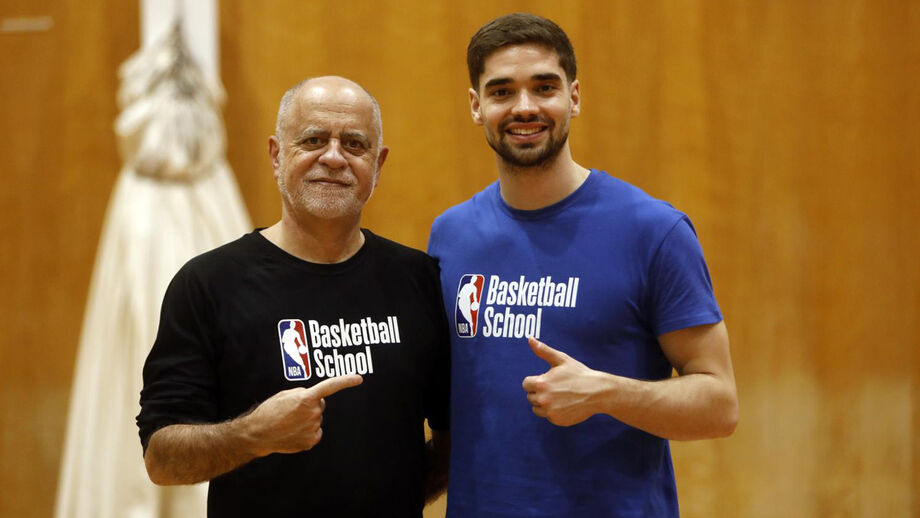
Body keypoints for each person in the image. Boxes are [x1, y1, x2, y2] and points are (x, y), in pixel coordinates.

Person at [427, 13, 738, 517]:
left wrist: (605, 393)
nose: (524, 107)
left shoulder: (653, 231)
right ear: (476, 106)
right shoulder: (451, 235)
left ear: (574, 97)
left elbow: (720, 406)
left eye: (544, 87)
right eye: (502, 91)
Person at [138, 76, 450, 517]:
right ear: (276, 155)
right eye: (313, 140)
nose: (334, 157)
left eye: (355, 144)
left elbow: (455, 436)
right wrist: (252, 435)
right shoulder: (208, 283)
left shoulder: (419, 280)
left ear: (378, 164)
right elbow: (161, 459)